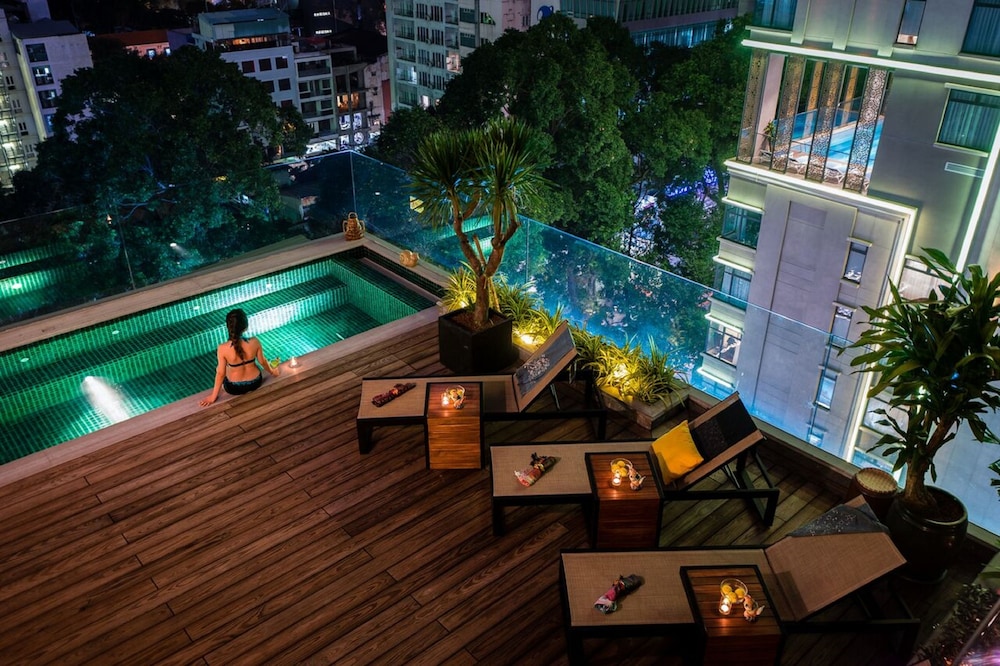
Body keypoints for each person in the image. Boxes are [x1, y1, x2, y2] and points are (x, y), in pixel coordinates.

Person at [199, 309, 279, 406]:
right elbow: (262, 362)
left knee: (220, 368)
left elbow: (220, 374)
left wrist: (213, 397)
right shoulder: (255, 342)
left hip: (234, 388)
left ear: (229, 327)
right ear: (245, 327)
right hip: (255, 382)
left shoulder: (222, 348)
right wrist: (273, 372)